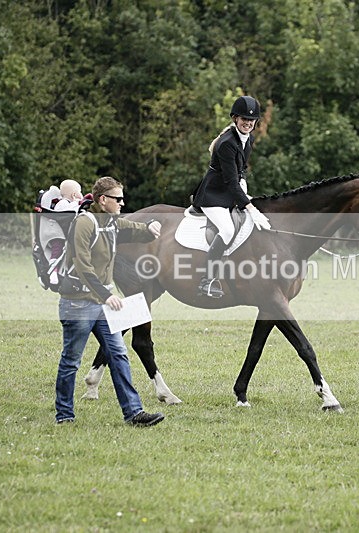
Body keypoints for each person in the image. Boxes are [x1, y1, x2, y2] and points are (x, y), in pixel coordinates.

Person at [55, 176, 165, 426]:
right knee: (71, 360)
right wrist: (107, 295)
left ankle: (134, 413)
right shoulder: (84, 223)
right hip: (79, 303)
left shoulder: (111, 222)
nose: (122, 204)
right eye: (118, 199)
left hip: (102, 303)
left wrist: (151, 227)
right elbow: (82, 266)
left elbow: (133, 229)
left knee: (118, 353)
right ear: (103, 200)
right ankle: (64, 415)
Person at [192, 95, 272, 298]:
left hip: (230, 191)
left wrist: (244, 182)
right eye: (244, 119)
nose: (248, 123)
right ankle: (206, 281)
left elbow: (241, 170)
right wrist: (251, 208)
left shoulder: (248, 139)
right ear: (235, 118)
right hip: (213, 195)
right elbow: (230, 182)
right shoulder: (227, 143)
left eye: (252, 120)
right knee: (227, 229)